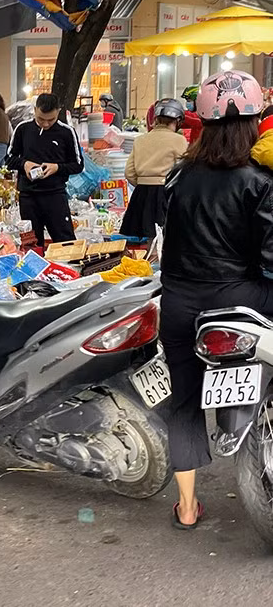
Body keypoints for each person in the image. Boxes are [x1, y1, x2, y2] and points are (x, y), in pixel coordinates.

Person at [160, 69, 273, 530]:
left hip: (181, 304)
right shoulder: (260, 180)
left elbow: (166, 237)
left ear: (202, 122)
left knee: (183, 401)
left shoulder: (177, 176)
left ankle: (186, 507)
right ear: (253, 122)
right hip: (244, 299)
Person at [7, 92, 83, 249]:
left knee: (66, 243)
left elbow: (78, 164)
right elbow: (8, 159)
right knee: (31, 245)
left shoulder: (66, 132)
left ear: (58, 112)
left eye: (51, 120)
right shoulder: (23, 129)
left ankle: (69, 271)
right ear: (35, 110)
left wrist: (57, 167)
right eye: (41, 119)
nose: (46, 124)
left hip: (55, 196)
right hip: (28, 197)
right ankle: (34, 272)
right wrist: (25, 164)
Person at [120, 98, 188, 239]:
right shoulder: (179, 140)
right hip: (167, 193)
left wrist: (144, 183)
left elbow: (129, 172)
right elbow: (184, 170)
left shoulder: (140, 140)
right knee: (167, 237)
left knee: (149, 239)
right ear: (177, 120)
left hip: (142, 193)